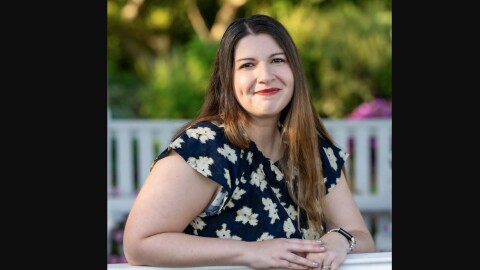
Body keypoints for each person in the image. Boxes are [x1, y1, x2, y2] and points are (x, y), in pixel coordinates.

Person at [123, 14, 375, 270]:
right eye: (247, 65)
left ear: (294, 70)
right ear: (227, 78)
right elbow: (139, 244)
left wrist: (341, 239)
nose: (265, 76)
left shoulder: (313, 151)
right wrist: (250, 253)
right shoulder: (205, 148)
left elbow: (361, 236)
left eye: (277, 60)